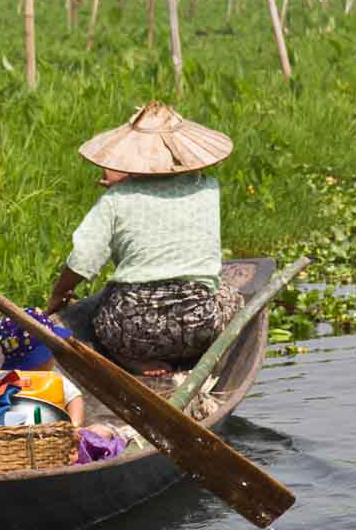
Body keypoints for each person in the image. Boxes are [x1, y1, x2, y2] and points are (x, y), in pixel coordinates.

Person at [43, 102, 243, 377]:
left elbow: (83, 260)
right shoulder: (208, 188)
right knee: (232, 298)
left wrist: (57, 297)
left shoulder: (116, 199)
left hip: (130, 332)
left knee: (101, 317)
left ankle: (131, 360)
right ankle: (199, 354)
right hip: (198, 323)